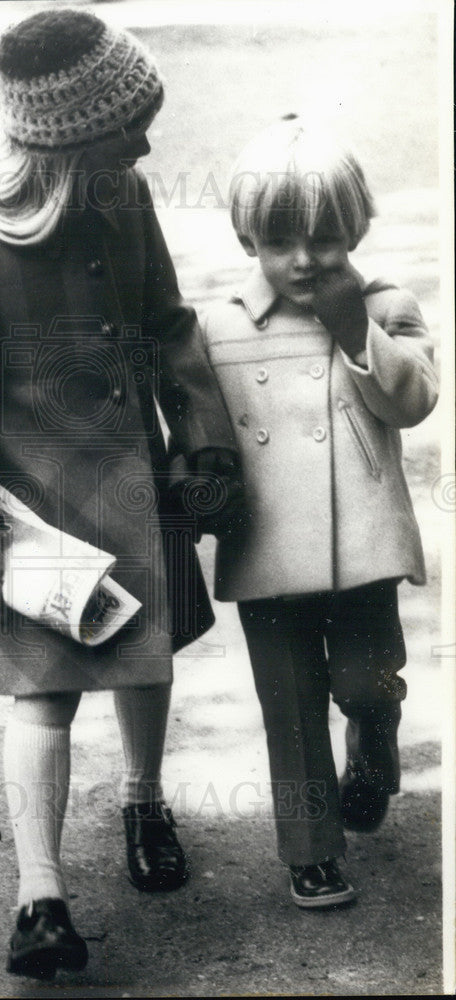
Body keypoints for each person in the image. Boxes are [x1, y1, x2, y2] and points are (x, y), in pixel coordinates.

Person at [0, 8, 244, 980]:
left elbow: (168, 322)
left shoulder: (121, 193)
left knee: (147, 661)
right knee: (43, 694)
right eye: (127, 126)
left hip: (136, 479)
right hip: (35, 512)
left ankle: (145, 800)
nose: (143, 143)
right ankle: (40, 895)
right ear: (66, 136)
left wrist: (203, 439)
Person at [197, 115, 438, 909]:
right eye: (279, 242)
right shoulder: (219, 325)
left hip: (361, 543)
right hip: (266, 547)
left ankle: (373, 739)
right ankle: (311, 853)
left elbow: (414, 401)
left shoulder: (386, 306)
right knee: (291, 707)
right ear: (247, 238)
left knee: (368, 683)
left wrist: (354, 329)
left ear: (356, 229)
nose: (303, 260)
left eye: (325, 239)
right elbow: (200, 425)